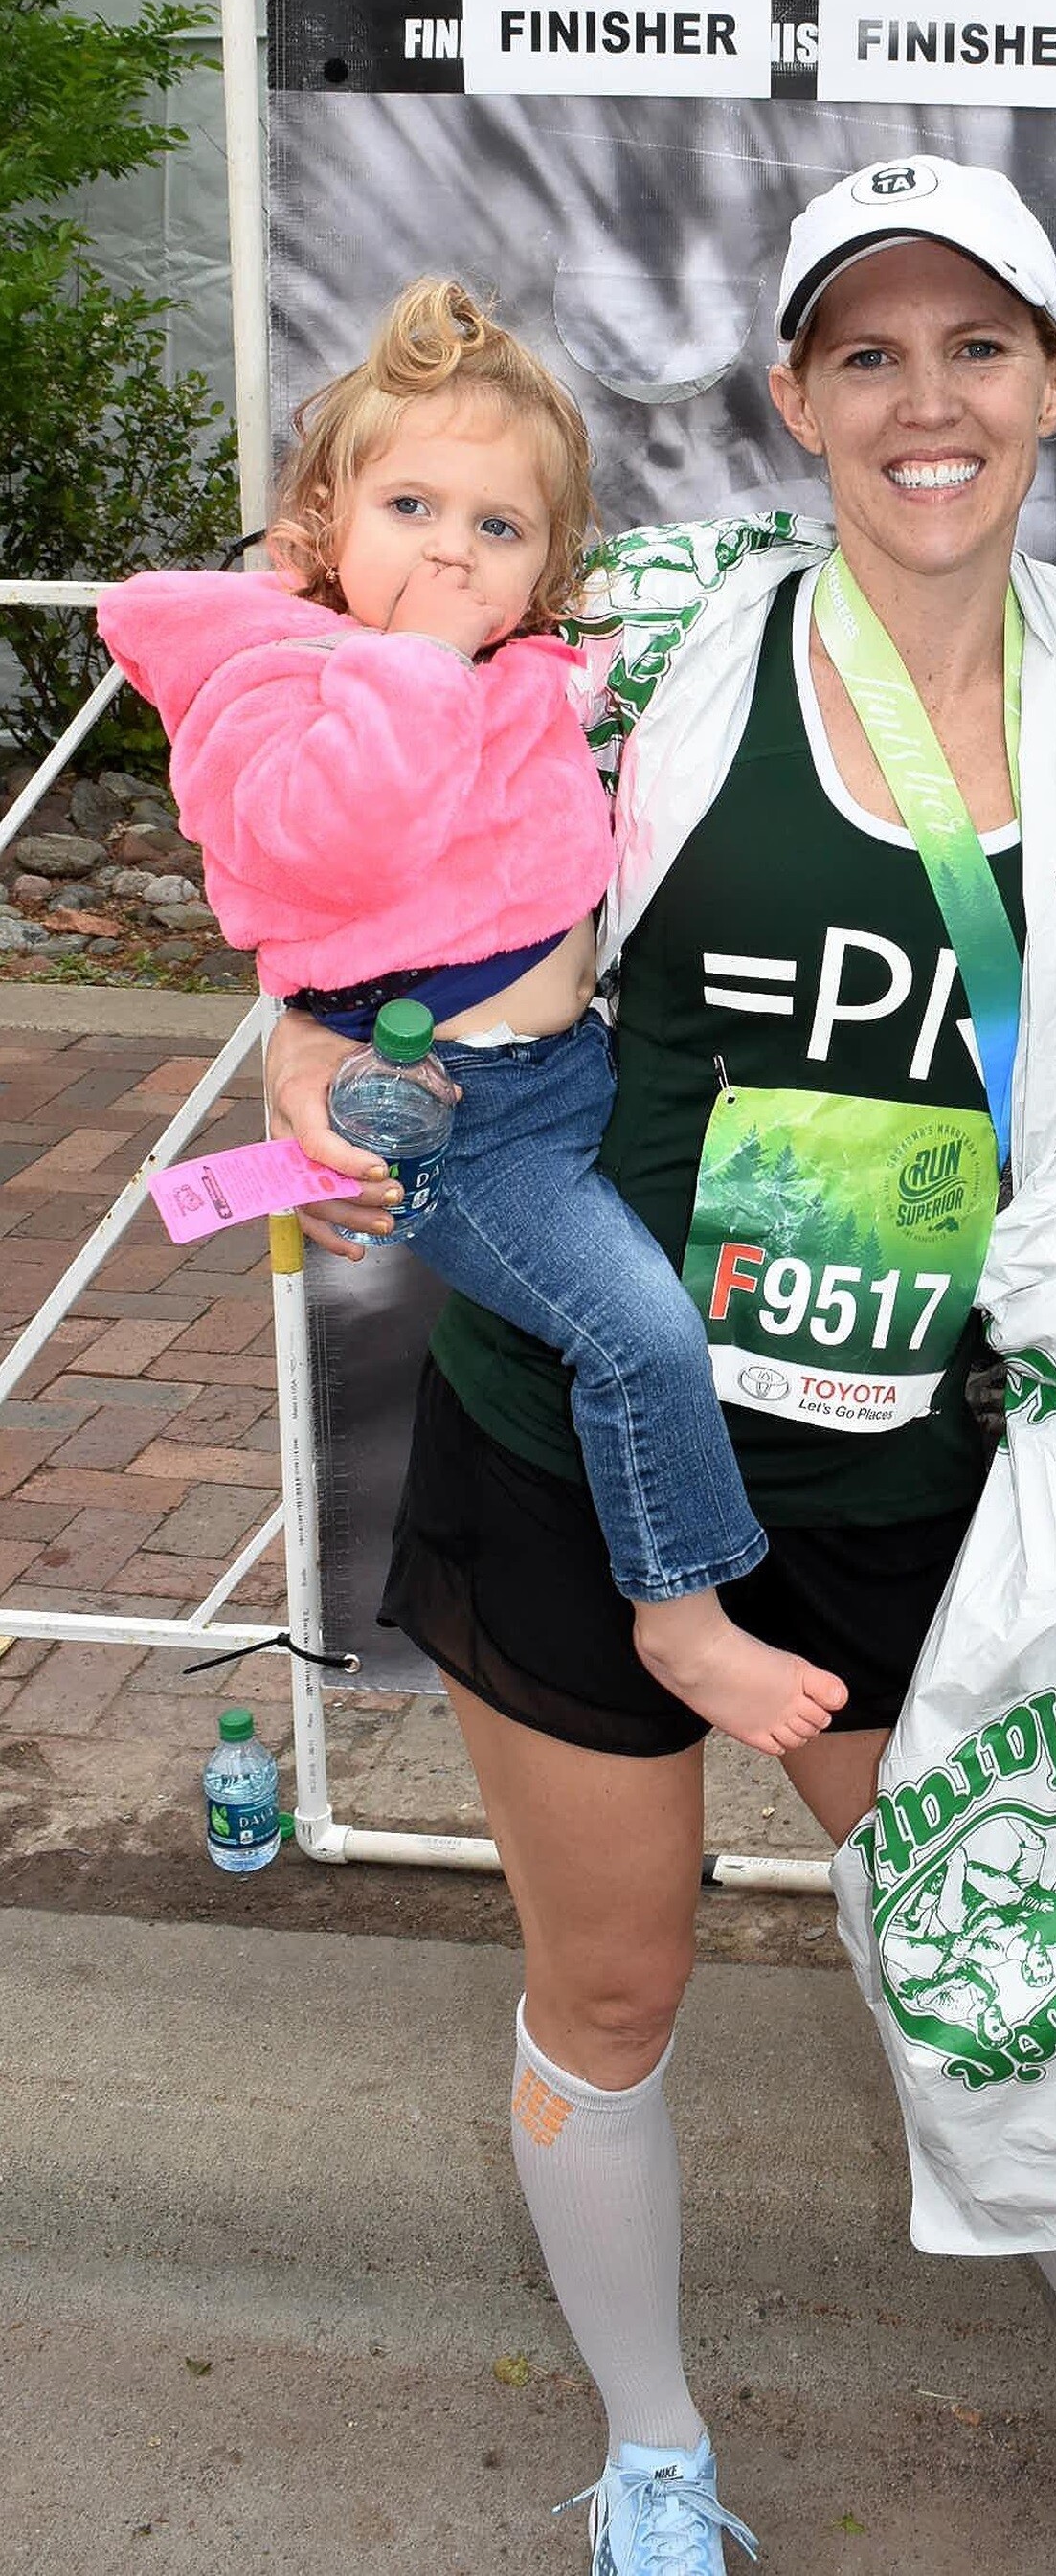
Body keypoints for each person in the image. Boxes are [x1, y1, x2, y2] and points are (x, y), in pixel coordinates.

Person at [269, 161, 1056, 2576]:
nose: (929, 402)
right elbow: (360, 802)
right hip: (586, 1436)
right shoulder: (653, 635)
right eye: (868, 354)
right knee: (610, 1984)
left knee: (1011, 1966)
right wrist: (307, 1051)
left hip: (926, 1477)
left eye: (978, 347)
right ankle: (655, 2452)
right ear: (797, 397)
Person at [99, 281, 844, 1755]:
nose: (451, 550)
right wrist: (420, 665)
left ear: (546, 567)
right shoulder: (278, 681)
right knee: (639, 1337)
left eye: (496, 527)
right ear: (322, 528)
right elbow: (326, 845)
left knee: (752, 1272)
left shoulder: (518, 672)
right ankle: (682, 1614)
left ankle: (776, 1545)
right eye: (412, 508)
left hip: (580, 1070)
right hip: (465, 1119)